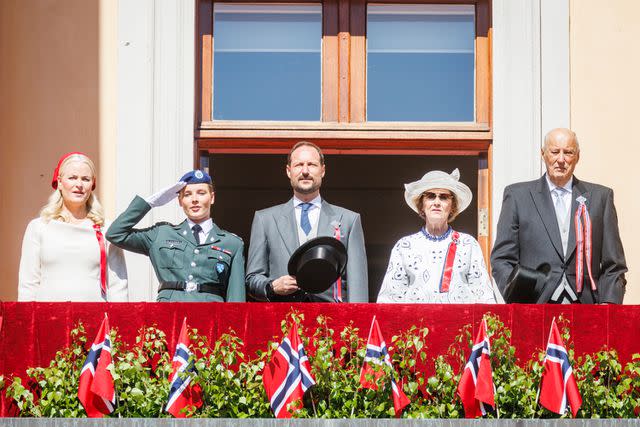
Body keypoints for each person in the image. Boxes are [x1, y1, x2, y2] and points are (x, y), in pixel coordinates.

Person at [491, 128, 627, 304]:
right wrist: (518, 299)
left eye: (568, 152)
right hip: (534, 308)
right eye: (555, 152)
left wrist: (608, 305)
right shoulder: (517, 196)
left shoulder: (600, 198)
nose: (561, 159)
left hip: (588, 308)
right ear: (543, 154)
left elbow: (614, 264)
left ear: (577, 156)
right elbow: (502, 259)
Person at [246, 141, 368, 302]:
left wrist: (356, 323)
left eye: (311, 165)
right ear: (289, 171)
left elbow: (358, 286)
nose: (305, 171)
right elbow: (252, 279)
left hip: (331, 322)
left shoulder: (349, 220)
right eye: (298, 165)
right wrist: (272, 286)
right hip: (282, 320)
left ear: (323, 170)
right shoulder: (265, 219)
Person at [106, 170, 245, 302]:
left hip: (211, 318)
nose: (194, 199)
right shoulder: (161, 233)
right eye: (187, 194)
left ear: (212, 198)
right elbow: (115, 234)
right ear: (179, 201)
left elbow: (236, 300)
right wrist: (149, 203)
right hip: (169, 315)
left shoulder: (232, 243)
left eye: (201, 193)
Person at [18, 152, 128, 302]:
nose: (79, 185)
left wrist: (119, 322)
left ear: (92, 184)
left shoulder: (106, 229)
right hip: (48, 320)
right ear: (60, 182)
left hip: (95, 320)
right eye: (72, 178)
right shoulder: (39, 227)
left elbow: (118, 286)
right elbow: (28, 285)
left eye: (85, 179)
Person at [377, 169, 496, 303]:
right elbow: (389, 300)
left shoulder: (468, 244)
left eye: (444, 197)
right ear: (422, 205)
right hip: (416, 324)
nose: (437, 202)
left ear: (452, 206)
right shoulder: (404, 246)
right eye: (430, 196)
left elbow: (484, 297)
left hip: (461, 323)